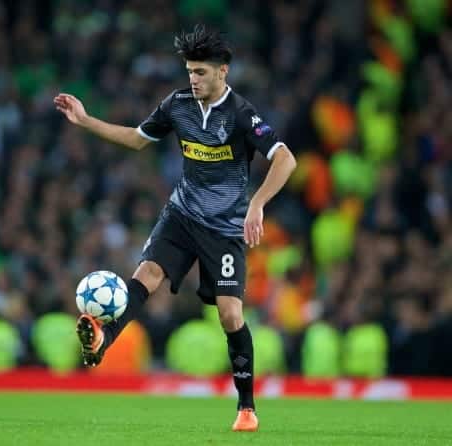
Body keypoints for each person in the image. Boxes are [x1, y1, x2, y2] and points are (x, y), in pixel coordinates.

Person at [54, 24, 296, 432]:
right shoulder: (176, 105)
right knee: (145, 275)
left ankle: (247, 406)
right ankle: (101, 340)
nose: (194, 79)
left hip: (223, 227)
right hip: (181, 215)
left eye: (201, 72)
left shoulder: (241, 114)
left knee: (230, 314)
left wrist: (257, 204)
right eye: (190, 72)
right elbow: (136, 139)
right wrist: (86, 121)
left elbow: (285, 158)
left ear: (223, 72)